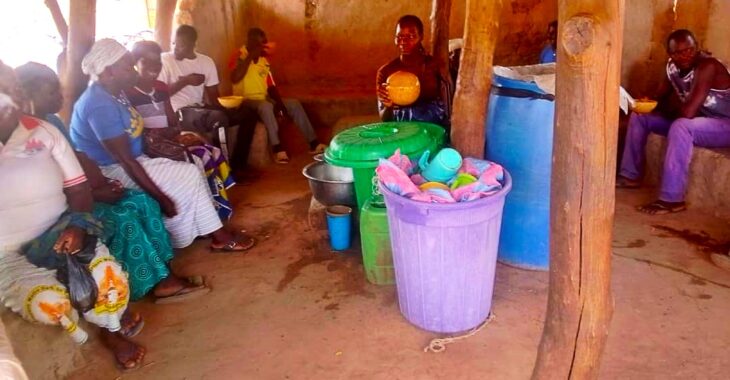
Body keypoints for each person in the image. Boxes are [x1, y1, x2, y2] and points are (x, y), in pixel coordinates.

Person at [16, 61, 210, 303]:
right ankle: (155, 283)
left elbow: (76, 163)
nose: (60, 95)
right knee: (122, 219)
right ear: (26, 95)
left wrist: (101, 183)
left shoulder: (51, 122)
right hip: (54, 213)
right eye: (52, 91)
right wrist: (96, 194)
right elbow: (40, 191)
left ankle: (163, 271)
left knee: (142, 201)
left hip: (79, 194)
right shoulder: (18, 138)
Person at [0, 60, 145, 370]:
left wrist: (78, 225)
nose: (11, 97)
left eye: (13, 89)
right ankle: (84, 327)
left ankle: (112, 331)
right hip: (5, 254)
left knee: (109, 281)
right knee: (51, 304)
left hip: (60, 229)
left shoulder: (43, 130)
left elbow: (79, 190)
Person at [70, 38, 255, 252]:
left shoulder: (113, 93)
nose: (133, 71)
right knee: (188, 173)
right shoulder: (98, 104)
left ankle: (207, 228)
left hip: (135, 160)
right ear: (109, 71)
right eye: (128, 67)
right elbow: (126, 161)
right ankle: (215, 235)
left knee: (193, 161)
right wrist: (161, 198)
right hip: (112, 171)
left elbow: (134, 132)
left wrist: (172, 138)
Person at [616, 29, 730, 215]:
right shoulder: (671, 67)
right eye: (677, 52)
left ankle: (672, 199)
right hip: (701, 122)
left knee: (681, 126)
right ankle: (630, 176)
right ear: (670, 54)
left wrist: (666, 109)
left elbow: (687, 112)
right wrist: (641, 103)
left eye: (689, 50)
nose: (684, 55)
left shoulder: (708, 66)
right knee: (640, 118)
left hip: (724, 124)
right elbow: (659, 98)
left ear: (697, 47)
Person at [127, 41, 235, 221]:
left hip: (168, 138)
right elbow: (138, 130)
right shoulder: (129, 92)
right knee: (200, 157)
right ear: (135, 63)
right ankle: (204, 213)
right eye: (147, 62)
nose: (155, 67)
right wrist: (173, 139)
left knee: (211, 150)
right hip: (149, 145)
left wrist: (181, 135)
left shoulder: (161, 87)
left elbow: (171, 120)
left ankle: (216, 207)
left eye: (158, 62)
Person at [159, 25, 257, 175]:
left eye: (182, 45)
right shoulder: (165, 60)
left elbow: (213, 96)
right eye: (174, 43)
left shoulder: (206, 62)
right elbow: (160, 94)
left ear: (193, 44)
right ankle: (225, 169)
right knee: (218, 118)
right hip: (180, 112)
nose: (176, 48)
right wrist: (185, 81)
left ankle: (238, 163)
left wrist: (228, 108)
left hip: (201, 108)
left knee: (248, 113)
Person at [230, 27, 327, 164]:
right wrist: (250, 56)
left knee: (293, 104)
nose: (264, 47)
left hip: (263, 99)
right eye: (260, 44)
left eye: (264, 44)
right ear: (250, 43)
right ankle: (277, 149)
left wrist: (281, 105)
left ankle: (314, 143)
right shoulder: (238, 55)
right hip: (245, 101)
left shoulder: (264, 60)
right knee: (266, 106)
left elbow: (271, 86)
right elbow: (235, 78)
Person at [376, 15, 449, 127]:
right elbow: (385, 119)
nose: (403, 41)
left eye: (411, 36)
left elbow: (446, 109)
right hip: (402, 133)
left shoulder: (434, 66)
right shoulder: (385, 72)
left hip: (432, 130)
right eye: (399, 36)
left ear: (421, 37)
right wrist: (387, 106)